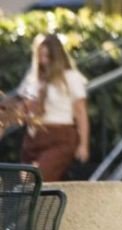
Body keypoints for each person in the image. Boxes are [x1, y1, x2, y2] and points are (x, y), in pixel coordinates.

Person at [8, 33, 91, 182]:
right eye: (40, 56)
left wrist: (83, 145)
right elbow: (21, 107)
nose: (44, 61)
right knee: (29, 184)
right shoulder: (33, 79)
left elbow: (80, 112)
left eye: (47, 56)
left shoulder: (70, 78)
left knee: (37, 178)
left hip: (59, 136)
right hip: (34, 137)